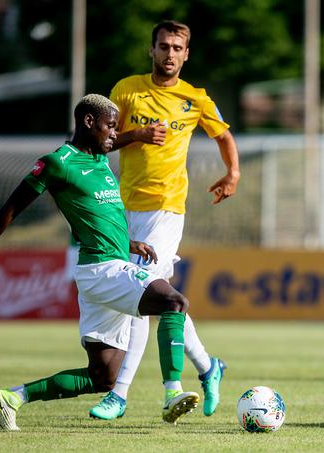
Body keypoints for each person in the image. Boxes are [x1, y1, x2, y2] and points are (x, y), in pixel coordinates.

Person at [0, 94, 199, 430]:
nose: (115, 135)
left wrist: (130, 242)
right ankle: (172, 393)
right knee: (174, 302)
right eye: (110, 127)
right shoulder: (59, 162)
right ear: (88, 122)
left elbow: (99, 217)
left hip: (105, 270)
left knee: (103, 377)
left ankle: (11, 398)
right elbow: (11, 208)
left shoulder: (100, 163)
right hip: (103, 271)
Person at [88, 20, 240, 420]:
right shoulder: (126, 89)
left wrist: (233, 173)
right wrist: (136, 134)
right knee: (162, 300)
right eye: (163, 46)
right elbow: (102, 142)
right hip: (122, 209)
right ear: (151, 50)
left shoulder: (196, 99)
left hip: (166, 209)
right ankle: (209, 367)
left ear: (186, 54)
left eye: (177, 47)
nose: (170, 53)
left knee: (142, 297)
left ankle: (120, 395)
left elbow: (223, 135)